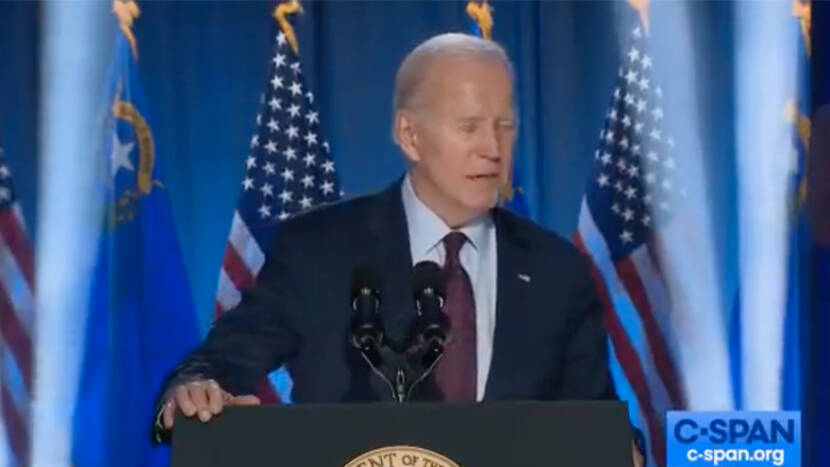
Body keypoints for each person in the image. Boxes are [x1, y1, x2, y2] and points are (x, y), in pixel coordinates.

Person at [153, 32, 616, 440]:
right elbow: (219, 363)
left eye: (505, 126)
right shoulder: (319, 251)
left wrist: (622, 449)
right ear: (410, 135)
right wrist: (193, 388)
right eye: (469, 127)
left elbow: (597, 421)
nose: (493, 149)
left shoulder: (557, 271)